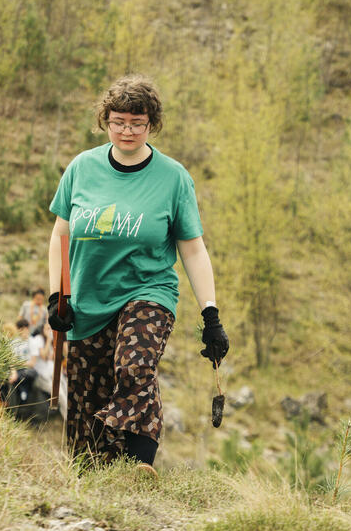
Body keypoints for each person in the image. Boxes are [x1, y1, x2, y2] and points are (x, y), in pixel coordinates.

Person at [47, 73, 229, 471]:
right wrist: (57, 295)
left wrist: (210, 314)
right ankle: (97, 479)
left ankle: (138, 464)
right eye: (118, 121)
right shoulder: (81, 168)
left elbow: (193, 249)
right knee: (85, 417)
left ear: (152, 124)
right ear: (105, 121)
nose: (126, 130)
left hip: (148, 292)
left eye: (137, 122)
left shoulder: (173, 178)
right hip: (88, 301)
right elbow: (60, 233)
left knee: (135, 365)